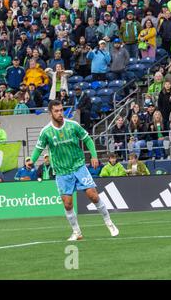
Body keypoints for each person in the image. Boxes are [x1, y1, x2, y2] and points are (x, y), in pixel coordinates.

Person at [28, 100, 119, 240]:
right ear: (50, 113)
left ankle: (109, 222)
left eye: (61, 110)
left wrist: (94, 156)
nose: (60, 113)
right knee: (67, 203)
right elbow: (38, 149)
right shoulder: (46, 132)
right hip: (61, 171)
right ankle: (77, 232)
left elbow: (87, 139)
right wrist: (31, 161)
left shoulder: (73, 125)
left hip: (78, 166)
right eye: (56, 111)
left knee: (93, 195)